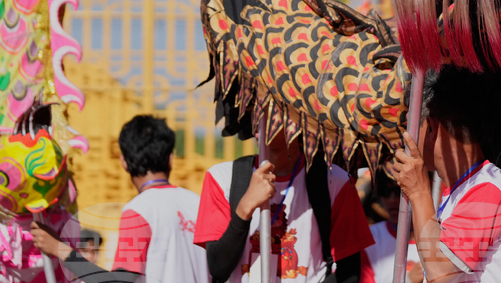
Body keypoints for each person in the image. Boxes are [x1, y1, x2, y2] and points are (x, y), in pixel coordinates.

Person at [390, 69, 501, 283]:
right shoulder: (467, 189)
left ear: (430, 128)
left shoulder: (488, 189)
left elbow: (440, 273)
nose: (406, 137)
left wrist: (419, 192)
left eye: (410, 126)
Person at [31, 115, 210, 283]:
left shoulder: (140, 210)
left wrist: (59, 249)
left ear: (123, 161)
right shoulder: (198, 204)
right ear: (170, 159)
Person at [193, 130, 374, 283]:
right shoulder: (223, 178)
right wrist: (245, 209)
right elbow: (218, 268)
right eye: (257, 110)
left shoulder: (335, 182)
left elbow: (350, 273)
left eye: (275, 108)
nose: (262, 117)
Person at [360, 171, 424, 283]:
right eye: (384, 191)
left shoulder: (441, 235)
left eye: (399, 191)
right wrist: (408, 281)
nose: (392, 200)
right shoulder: (368, 238)